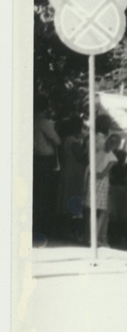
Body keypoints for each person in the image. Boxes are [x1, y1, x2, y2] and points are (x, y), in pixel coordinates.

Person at [33, 94, 62, 247]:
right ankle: (42, 228)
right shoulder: (44, 122)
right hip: (45, 159)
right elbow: (57, 140)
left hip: (35, 157)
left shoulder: (31, 120)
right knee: (45, 195)